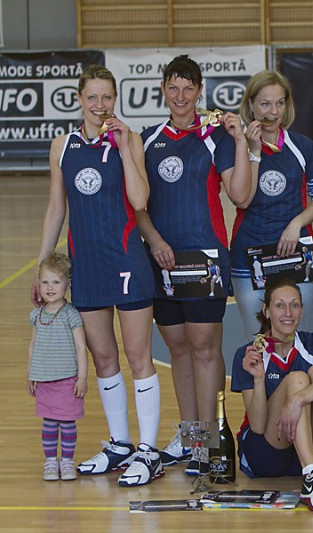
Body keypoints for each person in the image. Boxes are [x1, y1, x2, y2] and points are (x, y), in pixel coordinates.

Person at [32, 64, 163, 487]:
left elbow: (140, 200)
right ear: (79, 99)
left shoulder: (131, 140)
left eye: (107, 97)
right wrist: (41, 267)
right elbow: (57, 208)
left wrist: (124, 149)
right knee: (103, 359)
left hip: (126, 261)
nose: (100, 105)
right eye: (92, 97)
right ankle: (120, 444)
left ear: (115, 99)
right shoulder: (62, 146)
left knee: (138, 357)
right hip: (84, 265)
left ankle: (148, 451)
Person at [135, 55, 250, 475]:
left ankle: (212, 439)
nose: (181, 96)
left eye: (189, 88)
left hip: (205, 261)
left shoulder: (214, 136)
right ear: (163, 90)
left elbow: (239, 195)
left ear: (200, 91)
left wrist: (239, 140)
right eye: (173, 88)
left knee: (204, 349)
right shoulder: (147, 140)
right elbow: (137, 204)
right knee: (179, 350)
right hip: (162, 260)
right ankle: (193, 440)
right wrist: (156, 240)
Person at [230, 278, 313, 512]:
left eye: (295, 305)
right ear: (266, 310)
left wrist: (298, 400)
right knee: (299, 378)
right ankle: (311, 476)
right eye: (280, 305)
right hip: (268, 451)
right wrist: (258, 378)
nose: (288, 313)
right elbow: (257, 425)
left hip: (312, 445)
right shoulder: (248, 354)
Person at [231, 69, 313, 338]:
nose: (273, 111)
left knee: (294, 336)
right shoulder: (237, 146)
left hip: (295, 253)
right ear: (250, 104)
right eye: (264, 103)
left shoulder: (303, 146)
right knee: (257, 339)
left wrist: (296, 224)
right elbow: (242, 198)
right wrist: (254, 152)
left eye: (279, 103)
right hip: (248, 255)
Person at [27, 252, 88, 481]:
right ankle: (51, 462)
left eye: (56, 282)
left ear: (67, 285)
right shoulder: (37, 315)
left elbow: (81, 348)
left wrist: (82, 378)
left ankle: (68, 461)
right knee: (49, 422)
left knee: (67, 422)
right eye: (45, 282)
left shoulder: (71, 314)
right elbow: (33, 345)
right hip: (44, 379)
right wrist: (30, 374)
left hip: (67, 380)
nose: (50, 287)